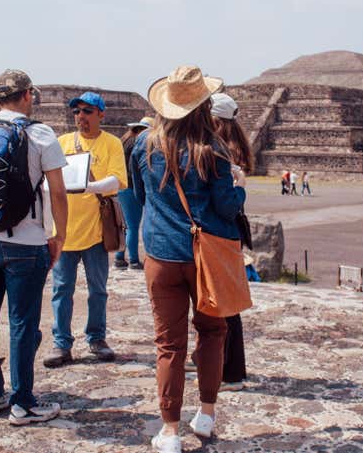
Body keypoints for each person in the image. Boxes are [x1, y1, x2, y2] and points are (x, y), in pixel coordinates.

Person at [132, 65, 246, 452]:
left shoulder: (143, 145)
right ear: (203, 106)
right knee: (213, 333)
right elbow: (228, 209)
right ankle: (206, 415)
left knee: (169, 345)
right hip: (205, 258)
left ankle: (168, 431)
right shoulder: (213, 150)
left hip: (161, 254)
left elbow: (142, 196)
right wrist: (240, 187)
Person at [0, 70, 69, 425]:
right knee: (22, 323)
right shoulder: (40, 134)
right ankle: (22, 402)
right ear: (28, 96)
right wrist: (58, 236)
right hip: (27, 241)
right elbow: (59, 192)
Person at [43, 91, 127, 368]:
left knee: (98, 289)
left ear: (101, 114)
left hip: (95, 230)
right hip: (64, 230)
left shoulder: (111, 144)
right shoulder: (63, 142)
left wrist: (91, 186)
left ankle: (96, 337)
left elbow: (117, 180)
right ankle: (61, 343)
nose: (81, 117)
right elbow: (47, 180)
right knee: (62, 290)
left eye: (87, 111)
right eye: (77, 112)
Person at [210, 92, 252, 392]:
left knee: (225, 302)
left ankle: (232, 371)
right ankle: (216, 362)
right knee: (220, 300)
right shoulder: (229, 146)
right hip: (227, 229)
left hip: (223, 230)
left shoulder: (223, 151)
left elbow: (226, 198)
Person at [114, 116, 154, 270]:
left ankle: (119, 257)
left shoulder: (124, 142)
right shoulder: (139, 144)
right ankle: (134, 260)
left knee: (124, 224)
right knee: (132, 226)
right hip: (131, 188)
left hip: (121, 186)